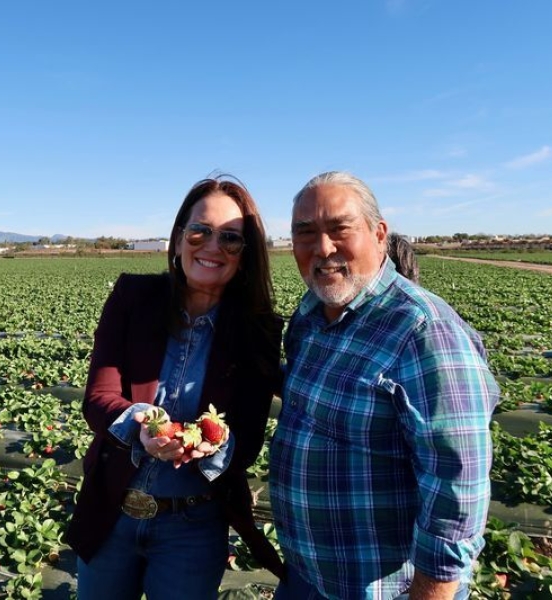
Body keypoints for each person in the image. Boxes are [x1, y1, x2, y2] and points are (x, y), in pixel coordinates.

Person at [269, 171, 499, 600]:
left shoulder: (423, 330)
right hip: (307, 575)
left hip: (383, 590)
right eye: (305, 233)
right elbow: (312, 396)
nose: (322, 248)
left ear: (378, 235)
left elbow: (458, 487)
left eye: (340, 229)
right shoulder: (311, 315)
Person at [64, 176, 285, 600]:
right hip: (113, 513)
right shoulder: (133, 297)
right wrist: (141, 425)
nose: (212, 246)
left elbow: (250, 439)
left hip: (193, 525)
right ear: (181, 237)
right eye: (200, 231)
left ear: (246, 252)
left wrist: (215, 445)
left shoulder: (256, 330)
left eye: (231, 238)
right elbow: (98, 398)